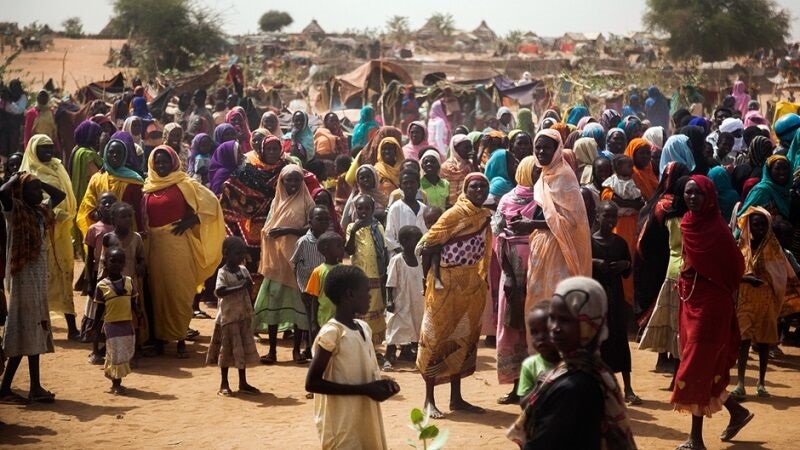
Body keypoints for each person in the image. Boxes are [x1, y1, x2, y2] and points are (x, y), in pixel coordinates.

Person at [672, 175, 753, 449]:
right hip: (691, 298)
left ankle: (696, 439)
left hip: (712, 305)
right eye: (688, 193)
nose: (691, 198)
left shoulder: (717, 230)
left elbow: (735, 267)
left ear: (709, 197)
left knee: (697, 364)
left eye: (697, 193)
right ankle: (737, 412)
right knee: (701, 361)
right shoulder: (688, 223)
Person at [522, 276, 636, 450]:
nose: (555, 328)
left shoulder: (575, 386)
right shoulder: (593, 370)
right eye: (552, 318)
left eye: (566, 320)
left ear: (589, 323)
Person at [418, 172, 492, 418]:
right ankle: (429, 400)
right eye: (474, 187)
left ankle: (456, 398)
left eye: (483, 187)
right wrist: (429, 278)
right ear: (465, 189)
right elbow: (425, 245)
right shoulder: (454, 215)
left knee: (463, 340)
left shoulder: (483, 216)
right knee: (437, 338)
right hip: (445, 285)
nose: (479, 191)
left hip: (471, 284)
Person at [305, 265, 400, 450]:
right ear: (349, 294)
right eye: (366, 291)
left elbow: (360, 372)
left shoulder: (363, 328)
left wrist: (381, 384)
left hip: (365, 418)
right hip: (342, 424)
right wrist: (365, 389)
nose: (370, 296)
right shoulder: (332, 333)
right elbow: (312, 383)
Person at [142, 145, 225, 358]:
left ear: (173, 163)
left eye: (165, 161)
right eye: (157, 162)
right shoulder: (147, 187)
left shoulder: (185, 184)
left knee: (180, 292)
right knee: (158, 294)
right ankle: (161, 340)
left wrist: (191, 220)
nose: (161, 165)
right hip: (155, 248)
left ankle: (180, 340)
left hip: (179, 246)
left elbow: (212, 205)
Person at [510, 129, 591, 329]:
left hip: (559, 246)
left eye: (547, 147)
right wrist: (528, 221)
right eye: (538, 147)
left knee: (556, 297)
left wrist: (531, 225)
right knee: (538, 297)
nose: (541, 152)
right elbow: (547, 212)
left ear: (557, 149)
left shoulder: (564, 176)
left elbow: (571, 219)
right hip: (540, 244)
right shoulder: (544, 176)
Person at [0, 173, 63, 404]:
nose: (40, 193)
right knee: (24, 330)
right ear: (22, 193)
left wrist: (36, 181)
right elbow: (2, 192)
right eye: (34, 190)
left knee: (34, 329)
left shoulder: (40, 211)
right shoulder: (15, 211)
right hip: (22, 277)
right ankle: (7, 388)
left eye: (39, 189)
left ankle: (34, 386)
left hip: (37, 279)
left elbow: (59, 194)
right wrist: (18, 178)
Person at [732, 207, 798, 400]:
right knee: (743, 340)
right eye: (755, 224)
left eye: (763, 224)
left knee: (764, 342)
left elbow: (780, 273)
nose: (759, 228)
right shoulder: (742, 246)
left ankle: (761, 382)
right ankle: (741, 382)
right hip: (745, 298)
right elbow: (735, 272)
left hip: (766, 300)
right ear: (749, 225)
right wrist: (746, 279)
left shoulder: (774, 248)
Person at [253, 165, 315, 364]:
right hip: (277, 263)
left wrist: (286, 230)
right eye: (288, 180)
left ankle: (297, 350)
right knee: (274, 302)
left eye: (296, 180)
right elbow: (268, 227)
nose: (292, 184)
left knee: (299, 308)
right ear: (281, 181)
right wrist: (271, 232)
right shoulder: (276, 202)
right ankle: (272, 350)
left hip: (298, 263)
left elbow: (312, 228)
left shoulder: (307, 201)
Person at [20, 134, 79, 339]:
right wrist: (52, 214)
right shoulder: (29, 174)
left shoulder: (58, 166)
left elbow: (65, 195)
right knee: (44, 282)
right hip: (42, 234)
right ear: (33, 150)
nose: (47, 152)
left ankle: (72, 328)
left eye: (50, 148)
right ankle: (43, 331)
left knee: (65, 276)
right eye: (43, 148)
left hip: (62, 234)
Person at [493, 156, 540, 404]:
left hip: (537, 272)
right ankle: (515, 388)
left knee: (532, 329)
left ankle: (532, 387)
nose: (537, 174)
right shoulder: (507, 200)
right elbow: (498, 236)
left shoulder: (544, 199)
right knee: (511, 329)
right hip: (511, 274)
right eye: (533, 171)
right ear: (522, 172)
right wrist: (509, 274)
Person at [591, 201, 640, 405]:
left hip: (616, 298)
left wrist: (624, 264)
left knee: (619, 339)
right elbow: (582, 264)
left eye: (613, 217)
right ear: (598, 217)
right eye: (606, 216)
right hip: (596, 298)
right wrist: (596, 263)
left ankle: (628, 388)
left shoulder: (619, 243)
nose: (610, 220)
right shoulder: (590, 242)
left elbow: (628, 270)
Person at [206, 236, 261, 397]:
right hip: (228, 319)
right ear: (226, 254)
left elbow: (249, 285)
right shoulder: (223, 273)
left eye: (242, 254)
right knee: (227, 350)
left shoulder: (242, 270)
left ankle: (243, 382)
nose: (240, 257)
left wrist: (249, 287)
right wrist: (239, 287)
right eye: (237, 254)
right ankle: (224, 383)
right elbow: (219, 291)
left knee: (241, 350)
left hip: (242, 316)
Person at [90, 247, 140, 395]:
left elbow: (133, 302)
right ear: (105, 263)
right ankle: (116, 384)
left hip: (126, 324)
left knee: (124, 353)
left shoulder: (129, 282)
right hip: (112, 326)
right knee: (116, 354)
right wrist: (94, 326)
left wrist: (138, 314)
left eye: (120, 261)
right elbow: (99, 310)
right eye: (113, 261)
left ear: (124, 264)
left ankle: (113, 375)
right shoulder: (102, 286)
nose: (116, 264)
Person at [345, 195, 389, 346]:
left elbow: (384, 250)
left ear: (372, 209)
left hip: (376, 276)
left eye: (367, 208)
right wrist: (353, 231)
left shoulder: (378, 227)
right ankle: (361, 343)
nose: (363, 211)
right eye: (360, 208)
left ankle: (373, 346)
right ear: (355, 209)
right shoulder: (352, 227)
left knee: (375, 309)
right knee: (361, 310)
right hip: (360, 277)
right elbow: (349, 250)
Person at [291, 205, 331, 354]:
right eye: (319, 219)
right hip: (308, 288)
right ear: (310, 222)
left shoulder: (330, 240)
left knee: (322, 318)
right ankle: (309, 348)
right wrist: (302, 289)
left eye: (326, 220)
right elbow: (295, 265)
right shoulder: (303, 242)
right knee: (310, 319)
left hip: (325, 289)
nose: (323, 222)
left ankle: (317, 348)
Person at [384, 225, 424, 371]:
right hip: (400, 301)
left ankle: (408, 352)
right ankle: (389, 355)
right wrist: (389, 300)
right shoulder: (397, 260)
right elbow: (390, 282)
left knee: (415, 326)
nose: (419, 242)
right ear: (405, 241)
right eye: (417, 240)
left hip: (418, 301)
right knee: (395, 327)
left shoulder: (421, 259)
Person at [304, 231, 346, 342]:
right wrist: (313, 323)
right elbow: (314, 299)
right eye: (338, 246)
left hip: (341, 319)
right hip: (323, 319)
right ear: (326, 249)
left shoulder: (343, 270)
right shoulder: (318, 272)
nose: (342, 249)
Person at [384, 170, 427, 253]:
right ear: (400, 186)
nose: (409, 186)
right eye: (405, 183)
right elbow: (389, 237)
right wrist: (404, 253)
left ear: (418, 185)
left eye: (412, 182)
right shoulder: (395, 208)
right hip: (401, 256)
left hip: (421, 256)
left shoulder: (424, 208)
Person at [69, 120, 104, 205]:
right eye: (96, 136)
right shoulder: (86, 154)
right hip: (87, 196)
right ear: (89, 137)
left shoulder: (76, 149)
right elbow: (97, 177)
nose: (98, 140)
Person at [440, 134, 477, 207]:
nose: (469, 151)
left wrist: (475, 163)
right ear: (456, 149)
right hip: (449, 206)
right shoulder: (445, 167)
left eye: (470, 148)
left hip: (467, 205)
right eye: (466, 148)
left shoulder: (471, 166)